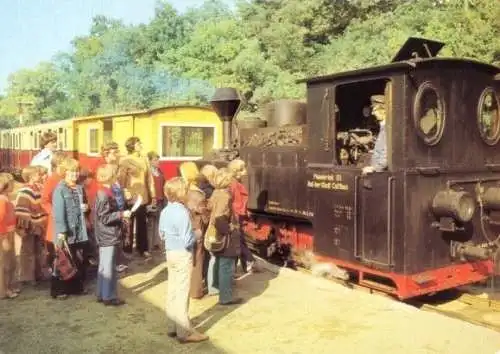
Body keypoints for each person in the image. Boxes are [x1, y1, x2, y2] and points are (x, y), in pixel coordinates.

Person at [159, 177, 208, 343]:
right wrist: (198, 234)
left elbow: (162, 234)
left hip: (170, 252)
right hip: (182, 254)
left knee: (172, 290)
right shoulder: (182, 212)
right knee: (181, 293)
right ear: (181, 194)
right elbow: (187, 240)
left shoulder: (165, 210)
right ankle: (184, 332)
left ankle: (172, 326)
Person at [51, 158, 89, 299]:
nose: (75, 174)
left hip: (79, 230)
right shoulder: (60, 190)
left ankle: (76, 288)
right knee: (62, 260)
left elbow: (85, 206)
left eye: (76, 171)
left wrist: (86, 208)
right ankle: (59, 290)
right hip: (66, 231)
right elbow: (58, 212)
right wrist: (61, 231)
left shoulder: (79, 188)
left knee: (77, 259)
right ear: (65, 172)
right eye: (71, 171)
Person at [93, 165, 131, 306]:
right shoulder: (104, 194)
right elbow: (104, 217)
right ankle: (109, 296)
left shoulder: (103, 191)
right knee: (108, 266)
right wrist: (121, 214)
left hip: (105, 234)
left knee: (104, 265)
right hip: (108, 234)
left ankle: (102, 293)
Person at [206, 168, 243, 305]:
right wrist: (230, 229)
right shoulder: (225, 196)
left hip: (212, 233)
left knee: (216, 261)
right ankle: (226, 297)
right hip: (223, 236)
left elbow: (210, 211)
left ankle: (214, 288)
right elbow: (219, 217)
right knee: (226, 265)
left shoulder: (215, 193)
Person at [119, 137, 156, 258]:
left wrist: (153, 195)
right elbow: (121, 180)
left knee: (142, 224)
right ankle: (127, 249)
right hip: (130, 198)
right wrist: (124, 192)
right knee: (128, 223)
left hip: (143, 197)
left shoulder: (144, 159)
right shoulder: (125, 160)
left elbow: (149, 179)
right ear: (132, 146)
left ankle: (142, 248)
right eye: (138, 143)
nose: (141, 145)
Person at [14, 166, 48, 286]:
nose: (41, 176)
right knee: (28, 251)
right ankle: (27, 276)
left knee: (39, 250)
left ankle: (38, 273)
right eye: (38, 174)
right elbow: (21, 210)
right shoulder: (25, 191)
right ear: (31, 176)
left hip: (38, 224)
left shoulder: (39, 188)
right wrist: (24, 226)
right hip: (29, 225)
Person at [227, 158, 256, 273]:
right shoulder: (234, 185)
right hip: (235, 215)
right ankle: (249, 261)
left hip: (237, 214)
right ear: (236, 171)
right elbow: (234, 202)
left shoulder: (235, 183)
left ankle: (246, 264)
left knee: (239, 240)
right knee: (238, 240)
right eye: (243, 169)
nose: (246, 172)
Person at [0, 173, 19, 299]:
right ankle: (4, 290)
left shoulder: (6, 198)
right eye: (12, 183)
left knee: (11, 261)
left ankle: (9, 286)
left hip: (10, 232)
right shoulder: (2, 200)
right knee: (4, 263)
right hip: (5, 234)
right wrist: (4, 238)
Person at [362, 94, 387, 175]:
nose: (372, 113)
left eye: (374, 110)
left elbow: (387, 152)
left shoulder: (387, 128)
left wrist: (375, 168)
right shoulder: (384, 126)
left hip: (380, 174)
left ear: (383, 110)